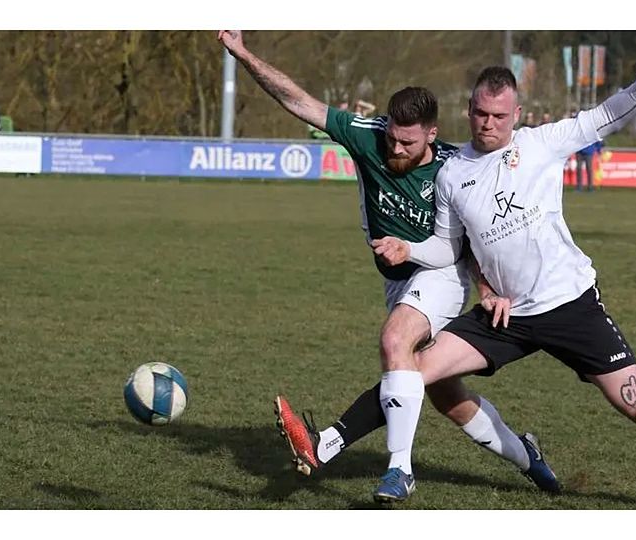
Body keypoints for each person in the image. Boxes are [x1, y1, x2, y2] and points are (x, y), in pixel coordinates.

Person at [370, 49, 636, 509]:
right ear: (469, 110)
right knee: (412, 372)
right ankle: (362, 455)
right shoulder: (453, 172)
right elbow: (448, 245)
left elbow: (605, 115)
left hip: (570, 305)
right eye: (480, 113)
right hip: (508, 314)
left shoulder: (542, 143)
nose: (488, 123)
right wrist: (412, 249)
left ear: (515, 114)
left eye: (499, 115)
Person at [217, 30, 560, 502]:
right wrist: (243, 54)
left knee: (394, 340)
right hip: (398, 284)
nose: (396, 151)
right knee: (442, 394)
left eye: (407, 144)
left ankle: (390, 468)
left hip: (440, 274)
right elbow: (298, 101)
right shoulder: (368, 137)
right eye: (394, 140)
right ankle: (527, 455)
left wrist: (486, 288)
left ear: (432, 135)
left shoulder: (451, 165)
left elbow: (471, 238)